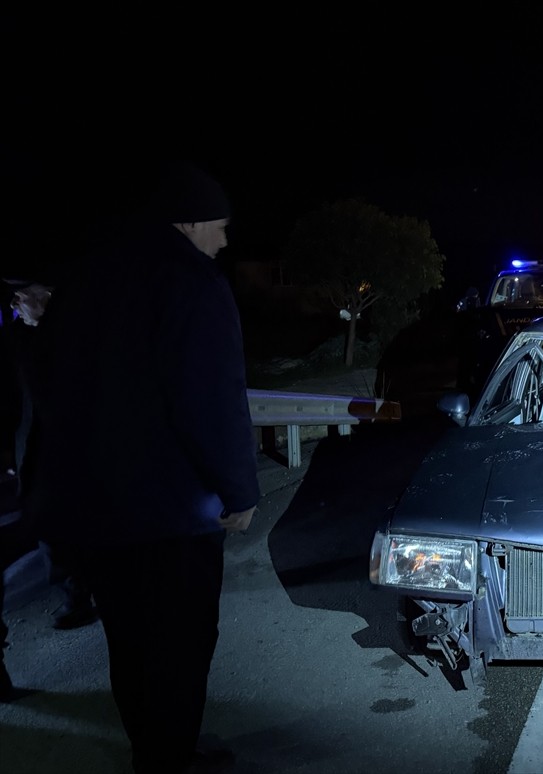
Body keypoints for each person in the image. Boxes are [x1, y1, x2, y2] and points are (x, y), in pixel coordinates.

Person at [27, 161, 261, 773]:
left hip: (90, 510)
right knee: (181, 644)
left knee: (130, 643)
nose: (225, 241)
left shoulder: (86, 281)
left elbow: (46, 389)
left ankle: (153, 752)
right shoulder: (191, 283)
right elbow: (210, 401)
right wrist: (238, 490)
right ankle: (171, 758)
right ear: (189, 221)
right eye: (221, 227)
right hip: (169, 514)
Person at [3, 280, 99, 631]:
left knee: (69, 527)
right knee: (50, 529)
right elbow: (16, 398)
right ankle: (78, 594)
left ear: (44, 299)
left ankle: (83, 594)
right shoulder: (18, 338)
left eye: (22, 293)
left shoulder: (74, 339)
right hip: (34, 453)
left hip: (70, 454)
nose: (15, 300)